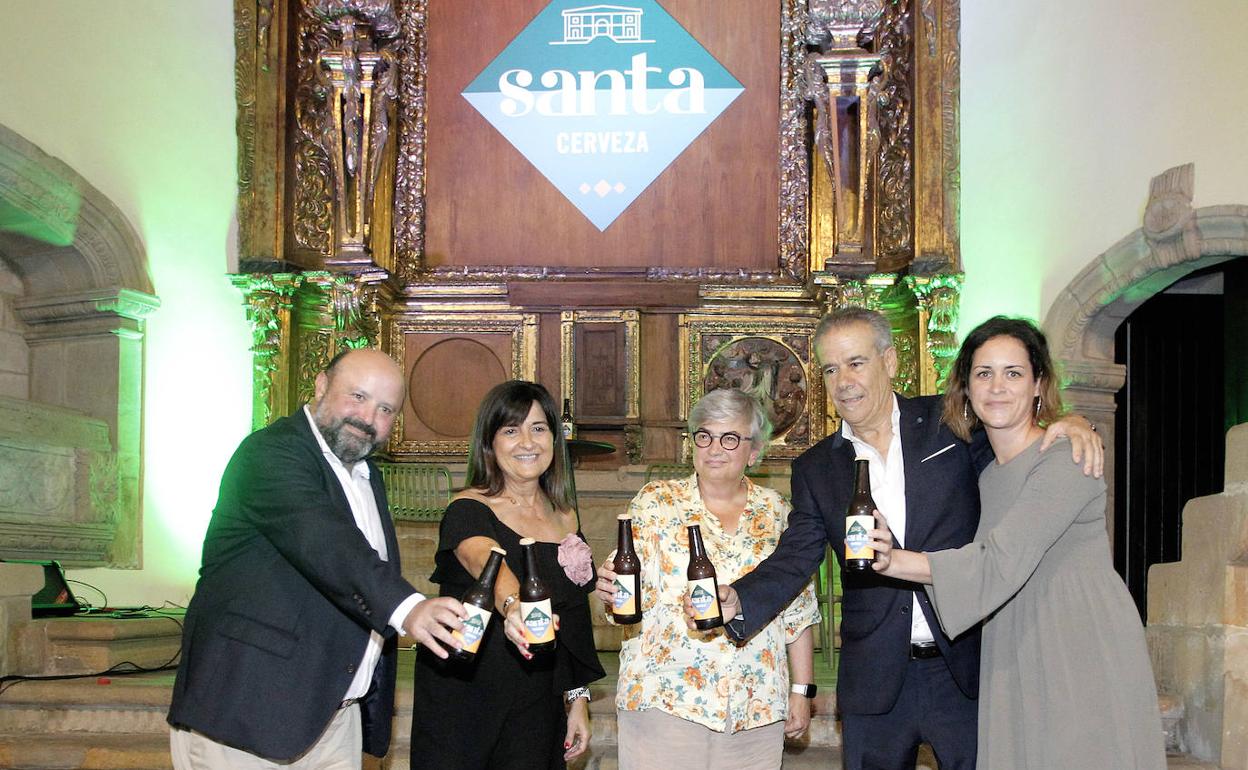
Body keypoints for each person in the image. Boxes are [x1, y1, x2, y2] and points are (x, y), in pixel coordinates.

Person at [711, 307, 1103, 770]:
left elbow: (1015, 434)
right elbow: (795, 557)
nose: (844, 382)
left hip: (965, 669)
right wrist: (741, 598)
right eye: (831, 370)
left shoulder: (950, 423)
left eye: (856, 363)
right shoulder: (816, 468)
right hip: (874, 680)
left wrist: (1073, 422)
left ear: (890, 361)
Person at [868, 316, 1165, 769]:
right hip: (1012, 641)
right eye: (984, 373)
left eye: (1013, 373)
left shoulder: (1066, 458)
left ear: (1038, 384)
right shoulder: (985, 473)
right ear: (966, 388)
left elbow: (1002, 560)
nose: (997, 387)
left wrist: (894, 561)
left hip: (1076, 640)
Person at [167, 348, 468, 769]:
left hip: (333, 717)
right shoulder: (271, 453)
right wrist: (409, 608)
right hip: (247, 714)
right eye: (357, 396)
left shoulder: (367, 475)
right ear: (321, 385)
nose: (367, 417)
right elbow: (326, 544)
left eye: (385, 409)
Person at [596, 388, 820, 770]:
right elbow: (627, 593)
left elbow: (798, 609)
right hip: (666, 697)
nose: (714, 448)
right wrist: (611, 588)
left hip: (755, 703)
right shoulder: (656, 502)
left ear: (754, 451)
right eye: (705, 436)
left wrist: (802, 690)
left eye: (729, 438)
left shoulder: (778, 512)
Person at [409, 380, 605, 770]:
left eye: (539, 428)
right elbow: (485, 561)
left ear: (554, 438)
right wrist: (516, 606)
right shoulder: (468, 507)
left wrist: (577, 699)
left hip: (537, 699)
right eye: (511, 430)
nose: (527, 442)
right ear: (489, 442)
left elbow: (573, 619)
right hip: (465, 696)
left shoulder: (564, 516)